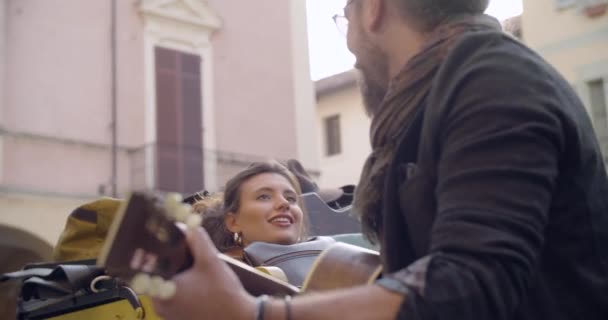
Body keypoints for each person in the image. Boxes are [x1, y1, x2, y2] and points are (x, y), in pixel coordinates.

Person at [152, 0, 608, 319]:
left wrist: (255, 315)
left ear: (372, 9)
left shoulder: (492, 81)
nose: (348, 41)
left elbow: (471, 286)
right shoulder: (456, 88)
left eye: (343, 16)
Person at [192, 160, 308, 260]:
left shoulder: (323, 265)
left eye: (291, 198)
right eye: (264, 197)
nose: (284, 203)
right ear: (233, 222)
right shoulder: (218, 276)